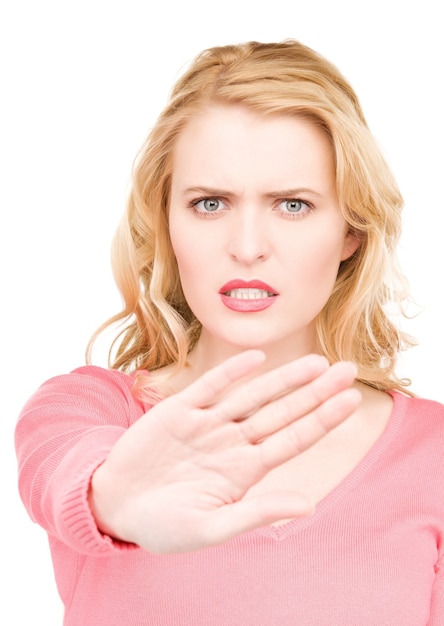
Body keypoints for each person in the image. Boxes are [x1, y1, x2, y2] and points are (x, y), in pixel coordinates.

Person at [15, 40, 444, 625]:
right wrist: (114, 502)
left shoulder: (434, 452)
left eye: (292, 205)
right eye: (210, 203)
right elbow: (66, 473)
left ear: (353, 230)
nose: (246, 247)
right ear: (166, 221)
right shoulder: (84, 410)